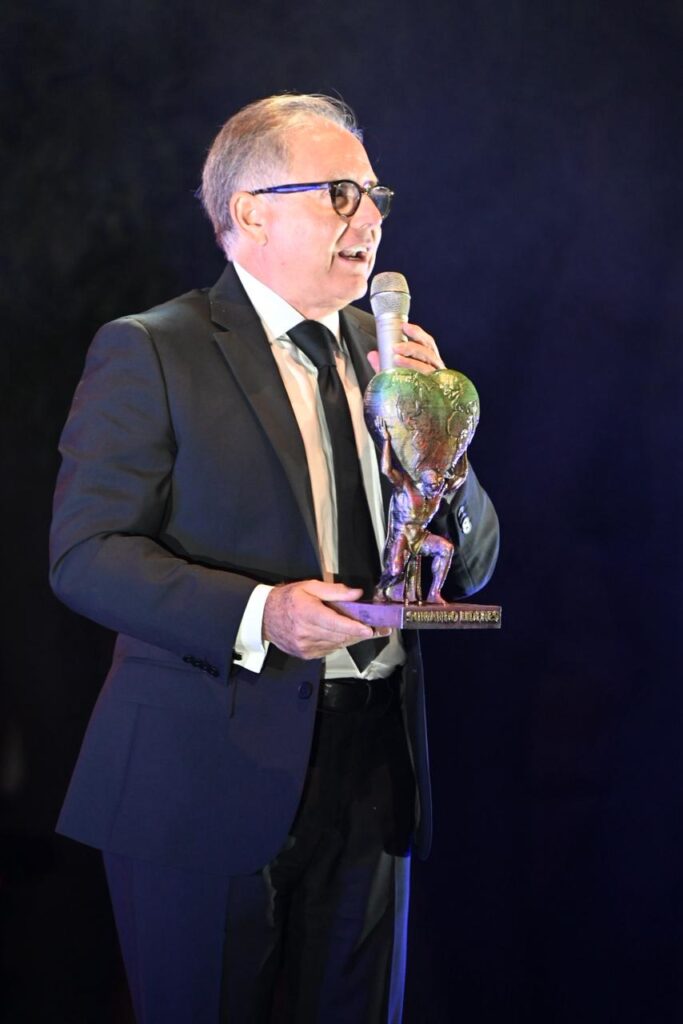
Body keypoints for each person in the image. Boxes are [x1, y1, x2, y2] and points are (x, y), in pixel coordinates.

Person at [50, 93, 500, 1023]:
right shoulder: (154, 350)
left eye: (374, 196)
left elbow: (478, 564)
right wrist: (262, 615)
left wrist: (437, 446)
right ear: (250, 212)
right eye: (340, 194)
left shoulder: (390, 361)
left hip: (373, 769)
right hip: (203, 772)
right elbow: (86, 554)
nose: (369, 219)